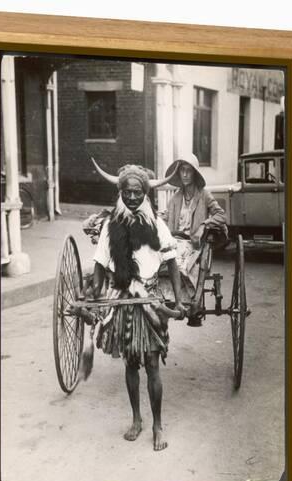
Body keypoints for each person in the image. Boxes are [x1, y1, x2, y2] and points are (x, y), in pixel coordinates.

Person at [89, 159, 185, 451]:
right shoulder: (109, 227)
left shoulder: (156, 225)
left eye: (137, 192)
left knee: (153, 364)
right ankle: (136, 419)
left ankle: (157, 424)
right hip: (123, 302)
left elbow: (172, 262)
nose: (132, 197)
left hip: (150, 303)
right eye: (127, 192)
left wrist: (179, 300)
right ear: (120, 192)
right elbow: (99, 264)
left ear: (146, 193)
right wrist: (94, 294)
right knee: (130, 363)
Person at [163, 154, 227, 313]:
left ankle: (189, 301)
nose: (184, 175)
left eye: (188, 171)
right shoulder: (175, 198)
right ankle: (166, 298)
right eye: (182, 171)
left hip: (194, 245)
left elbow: (221, 215)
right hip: (174, 241)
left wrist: (204, 225)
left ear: (195, 174)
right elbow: (166, 216)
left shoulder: (204, 195)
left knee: (178, 264)